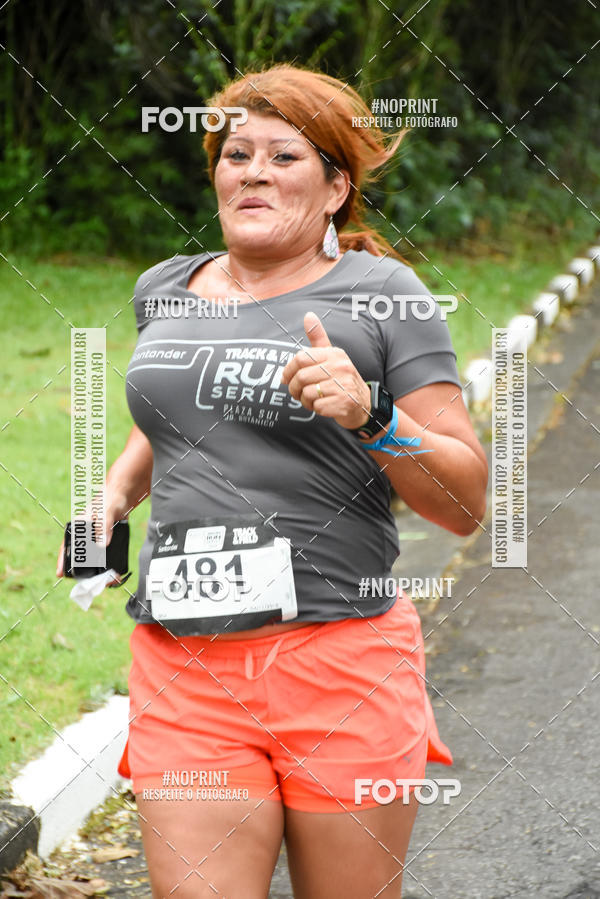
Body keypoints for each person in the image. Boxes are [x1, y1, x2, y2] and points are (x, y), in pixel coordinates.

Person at [58, 63, 487, 898]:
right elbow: (176, 416)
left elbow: (466, 501)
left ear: (335, 189)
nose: (253, 171)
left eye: (283, 156)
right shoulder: (165, 287)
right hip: (186, 668)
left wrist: (372, 415)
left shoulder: (386, 296)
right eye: (237, 154)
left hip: (342, 663)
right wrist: (113, 494)